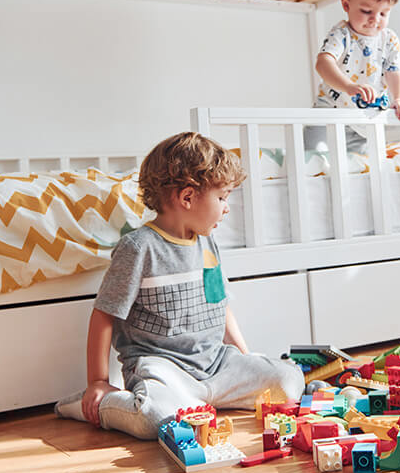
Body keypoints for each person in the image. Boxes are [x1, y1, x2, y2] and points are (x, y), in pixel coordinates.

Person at [54, 132, 304, 439]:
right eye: (222, 197)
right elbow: (104, 315)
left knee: (287, 381)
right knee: (155, 420)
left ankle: (198, 404)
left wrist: (245, 356)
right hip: (164, 370)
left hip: (217, 364)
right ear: (187, 198)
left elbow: (219, 302)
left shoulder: (208, 242)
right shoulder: (139, 248)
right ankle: (98, 404)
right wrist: (98, 381)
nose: (226, 208)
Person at [307, 0, 400, 153]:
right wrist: (348, 86)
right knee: (312, 158)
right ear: (346, 5)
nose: (375, 19)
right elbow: (323, 64)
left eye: (384, 13)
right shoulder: (342, 33)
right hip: (330, 113)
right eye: (366, 11)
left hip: (366, 122)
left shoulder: (389, 39)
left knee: (369, 166)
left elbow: (395, 72)